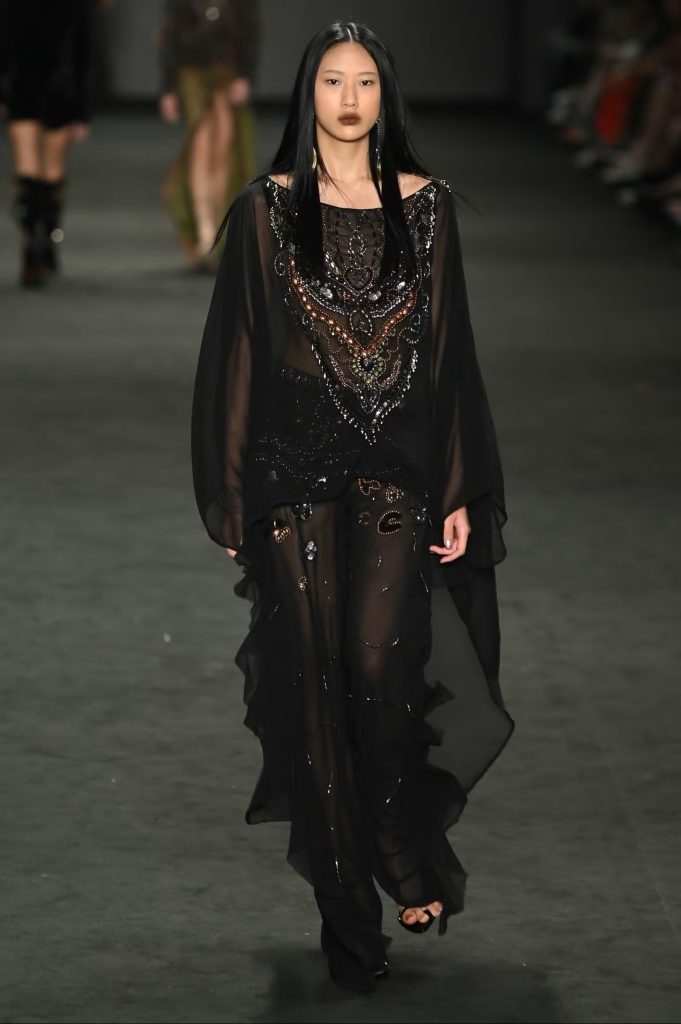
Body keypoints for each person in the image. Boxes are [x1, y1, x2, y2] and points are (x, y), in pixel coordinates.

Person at [191, 21, 515, 993]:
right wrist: (229, 493)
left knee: (377, 664)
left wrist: (457, 485)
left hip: (394, 464)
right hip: (290, 466)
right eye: (332, 81)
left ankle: (399, 841)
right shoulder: (266, 209)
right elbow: (238, 351)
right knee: (310, 687)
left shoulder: (427, 206)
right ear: (308, 94)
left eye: (364, 82)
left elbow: (448, 350)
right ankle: (345, 909)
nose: (347, 98)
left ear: (385, 96)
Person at [0, 0, 98, 287]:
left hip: (26, 87)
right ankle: (43, 246)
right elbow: (83, 50)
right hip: (57, 89)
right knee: (47, 172)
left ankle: (34, 248)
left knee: (31, 174)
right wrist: (82, 108)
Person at [158, 0, 260, 271]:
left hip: (228, 69)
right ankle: (204, 231)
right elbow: (171, 33)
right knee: (200, 149)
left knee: (224, 153)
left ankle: (218, 228)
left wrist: (245, 75)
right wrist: (168, 87)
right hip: (191, 71)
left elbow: (250, 29)